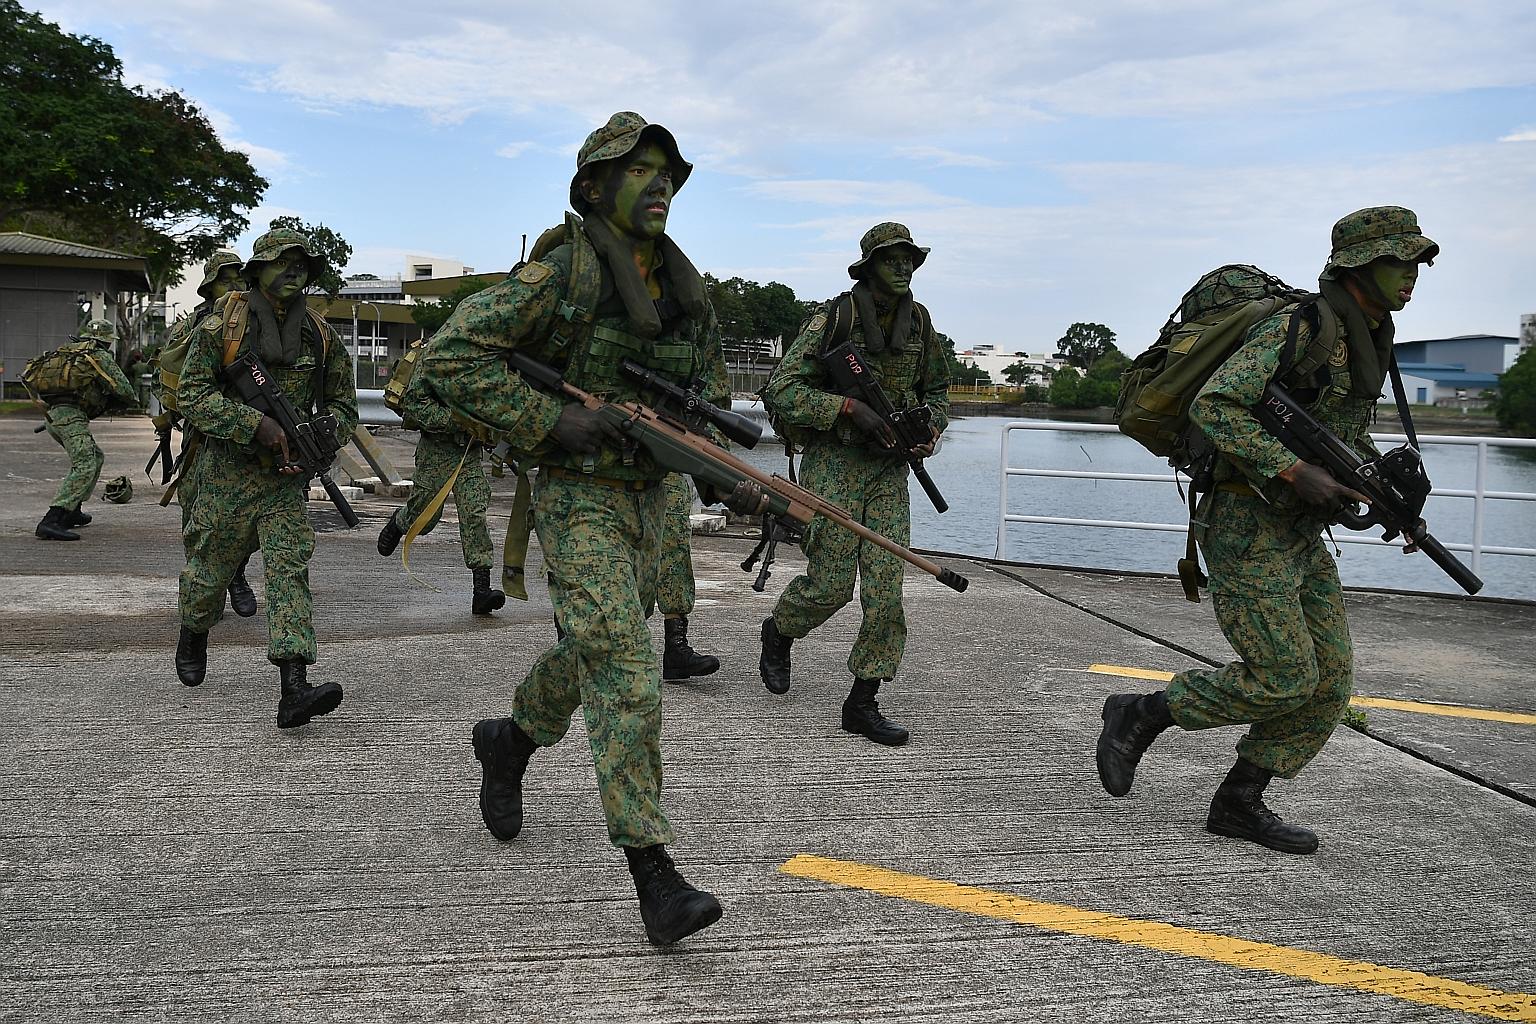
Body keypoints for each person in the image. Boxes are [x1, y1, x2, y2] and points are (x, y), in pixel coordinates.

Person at [411, 112, 745, 945]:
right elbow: (450, 357)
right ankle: (654, 871)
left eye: (668, 170)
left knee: (599, 642)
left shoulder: (687, 295)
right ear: (594, 186)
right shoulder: (561, 275)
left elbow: (705, 403)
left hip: (652, 497)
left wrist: (721, 470)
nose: (660, 182)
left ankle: (510, 739)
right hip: (577, 494)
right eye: (639, 170)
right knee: (627, 667)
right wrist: (546, 422)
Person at [1095, 207, 1439, 854]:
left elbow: (1340, 432)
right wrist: (1291, 470)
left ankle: (1240, 801)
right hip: (1246, 523)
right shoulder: (1301, 325)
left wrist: (1389, 498)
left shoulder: (1367, 336)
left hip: (1300, 533)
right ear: (1359, 265)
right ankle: (1140, 713)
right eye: (1400, 260)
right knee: (1284, 675)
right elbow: (1215, 404)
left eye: (1417, 261)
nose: (1411, 274)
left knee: (1330, 682)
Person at [758, 222, 950, 747]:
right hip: (835, 464)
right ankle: (779, 631)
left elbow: (936, 389)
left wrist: (929, 428)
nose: (903, 267)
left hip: (889, 472)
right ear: (869, 265)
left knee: (887, 592)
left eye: (909, 259)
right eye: (892, 259)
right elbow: (783, 391)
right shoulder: (834, 318)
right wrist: (847, 407)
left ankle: (863, 701)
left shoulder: (920, 325)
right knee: (831, 585)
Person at [172, 228, 357, 730]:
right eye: (283, 262)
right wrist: (255, 424)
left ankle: (293, 686)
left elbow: (344, 403)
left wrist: (317, 440)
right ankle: (194, 630)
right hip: (225, 476)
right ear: (257, 271)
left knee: (288, 570)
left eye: (302, 264)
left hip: (283, 482)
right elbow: (191, 396)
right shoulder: (221, 328)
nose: (294, 271)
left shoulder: (320, 335)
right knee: (209, 573)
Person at [163, 250, 260, 618]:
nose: (234, 285)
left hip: (249, 437)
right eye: (225, 279)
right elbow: (169, 374)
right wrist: (166, 417)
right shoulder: (192, 326)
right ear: (208, 287)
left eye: (239, 278)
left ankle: (235, 573)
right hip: (201, 437)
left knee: (251, 517)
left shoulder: (260, 322)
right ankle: (205, 596)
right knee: (195, 514)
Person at [375, 380, 505, 616]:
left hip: (469, 454)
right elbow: (416, 404)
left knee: (474, 513)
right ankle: (400, 522)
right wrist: (460, 421)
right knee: (425, 519)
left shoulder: (484, 359)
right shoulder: (436, 357)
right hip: (436, 452)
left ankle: (481, 591)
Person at [33, 317, 139, 541]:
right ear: (106, 341)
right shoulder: (98, 356)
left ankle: (72, 511)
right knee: (86, 464)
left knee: (96, 457)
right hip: (71, 419)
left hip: (54, 416)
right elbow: (126, 390)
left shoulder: (69, 353)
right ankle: (51, 520)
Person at [657, 473, 720, 680]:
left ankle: (675, 648)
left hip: (666, 470)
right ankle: (575, 643)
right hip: (604, 464)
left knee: (675, 549)